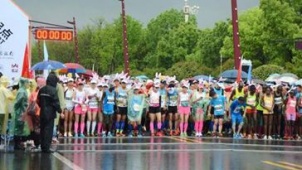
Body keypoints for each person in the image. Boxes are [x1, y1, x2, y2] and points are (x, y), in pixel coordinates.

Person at [37, 73, 62, 153]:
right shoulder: (53, 90)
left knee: (43, 129)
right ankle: (47, 147)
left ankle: (43, 146)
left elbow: (38, 101)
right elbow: (56, 103)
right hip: (50, 113)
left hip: (42, 112)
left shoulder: (42, 89)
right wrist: (60, 111)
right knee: (49, 130)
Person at [13, 78, 30, 150]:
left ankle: (19, 143)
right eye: (27, 83)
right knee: (18, 128)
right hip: (20, 112)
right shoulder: (22, 92)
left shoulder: (23, 91)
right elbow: (18, 103)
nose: (28, 84)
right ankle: (17, 144)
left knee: (20, 128)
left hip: (22, 112)